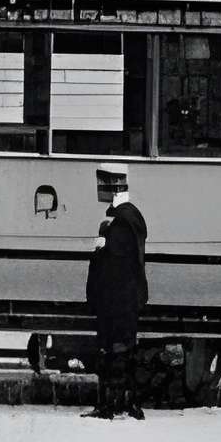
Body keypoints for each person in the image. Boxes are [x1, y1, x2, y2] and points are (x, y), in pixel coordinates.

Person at [84, 163, 149, 421]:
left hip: (116, 302)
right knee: (124, 351)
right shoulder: (130, 220)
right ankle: (127, 403)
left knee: (113, 353)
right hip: (126, 299)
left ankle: (112, 406)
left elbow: (112, 266)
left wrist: (102, 246)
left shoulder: (120, 225)